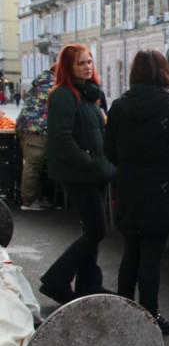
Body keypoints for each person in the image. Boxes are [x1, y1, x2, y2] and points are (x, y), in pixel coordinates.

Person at [105, 50, 169, 335]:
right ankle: (149, 317)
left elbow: (109, 150)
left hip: (130, 191)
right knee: (151, 256)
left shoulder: (119, 106)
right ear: (164, 72)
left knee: (131, 251)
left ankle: (124, 312)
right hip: (161, 192)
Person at [39, 43, 116, 305]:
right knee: (97, 230)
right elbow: (61, 142)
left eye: (89, 61)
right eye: (81, 63)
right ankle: (56, 280)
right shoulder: (63, 95)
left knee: (92, 229)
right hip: (79, 173)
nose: (87, 66)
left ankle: (88, 286)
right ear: (68, 67)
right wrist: (94, 163)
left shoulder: (88, 94)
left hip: (94, 172)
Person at [16, 65, 57, 211]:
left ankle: (35, 198)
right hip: (37, 129)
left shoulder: (40, 83)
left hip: (27, 127)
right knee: (33, 164)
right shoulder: (54, 85)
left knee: (33, 163)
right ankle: (29, 200)